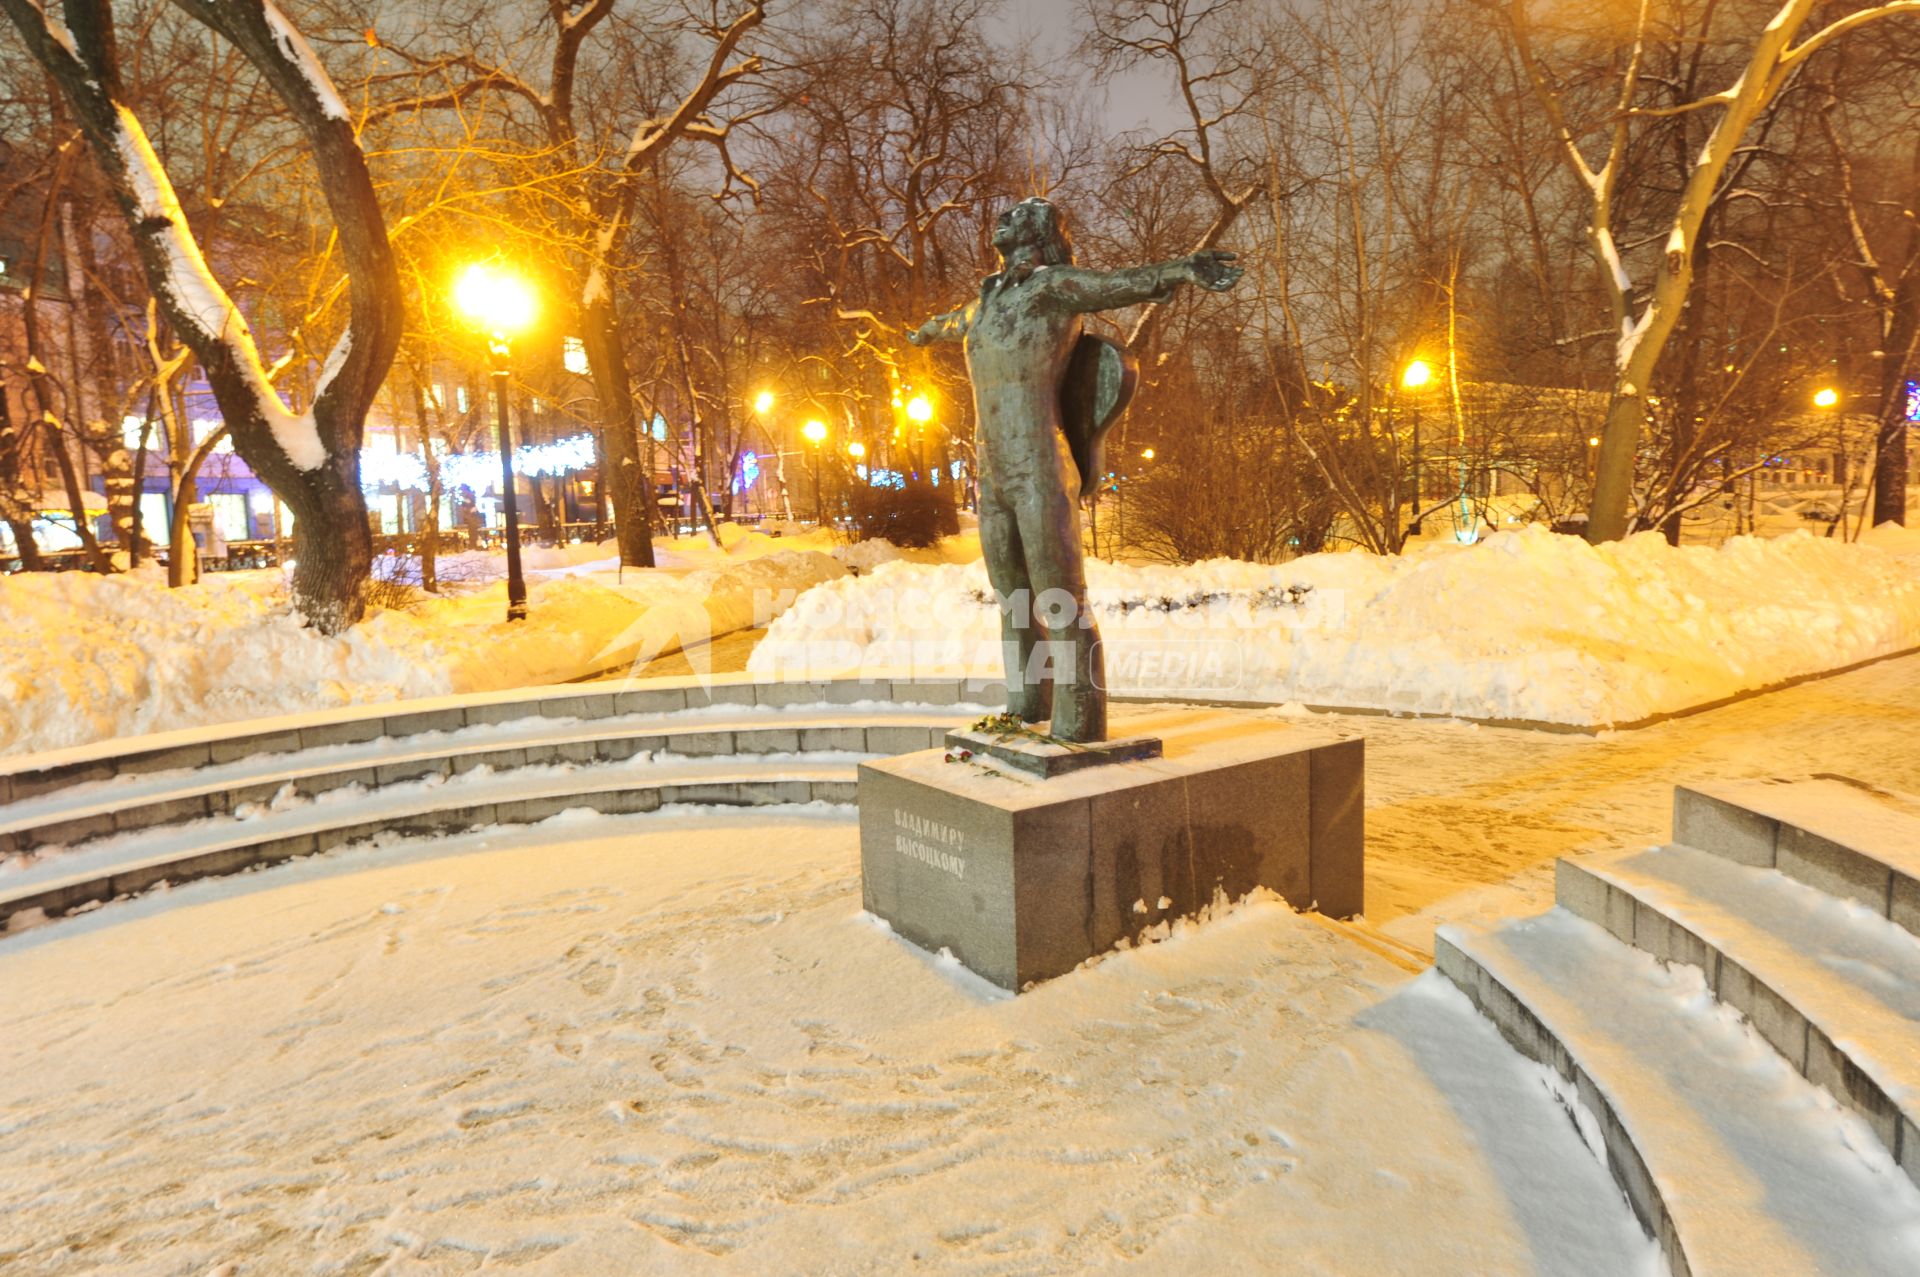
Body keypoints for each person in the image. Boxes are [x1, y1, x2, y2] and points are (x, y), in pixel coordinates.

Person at [909, 196, 1242, 742]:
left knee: (1059, 594)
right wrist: (924, 332)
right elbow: (950, 324)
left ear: (1037, 230)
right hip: (991, 468)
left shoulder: (1051, 288)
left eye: (1015, 216)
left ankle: (1081, 713)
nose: (1002, 220)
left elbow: (1114, 284)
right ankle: (1026, 699)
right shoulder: (983, 304)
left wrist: (1181, 268)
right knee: (1012, 595)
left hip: (1040, 459)